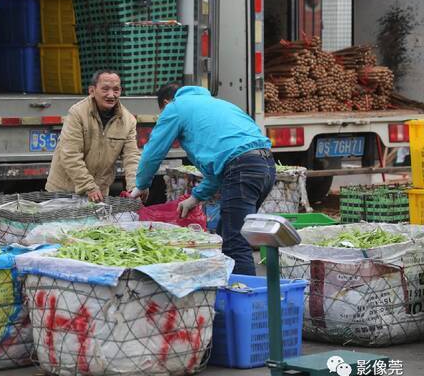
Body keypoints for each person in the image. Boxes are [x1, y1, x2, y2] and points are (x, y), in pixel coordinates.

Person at [131, 83, 276, 275]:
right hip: (265, 166)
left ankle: (245, 298)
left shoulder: (175, 107)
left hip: (242, 169)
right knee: (228, 233)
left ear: (166, 103)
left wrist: (141, 185)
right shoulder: (217, 103)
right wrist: (196, 197)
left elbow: (154, 151)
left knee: (234, 243)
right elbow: (223, 164)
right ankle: (231, 292)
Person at [46, 70, 140, 202]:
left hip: (99, 193)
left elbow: (132, 158)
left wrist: (135, 187)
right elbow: (70, 154)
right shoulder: (77, 113)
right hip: (64, 191)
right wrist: (88, 186)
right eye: (105, 89)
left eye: (116, 90)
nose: (111, 95)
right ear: (92, 90)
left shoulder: (128, 120)